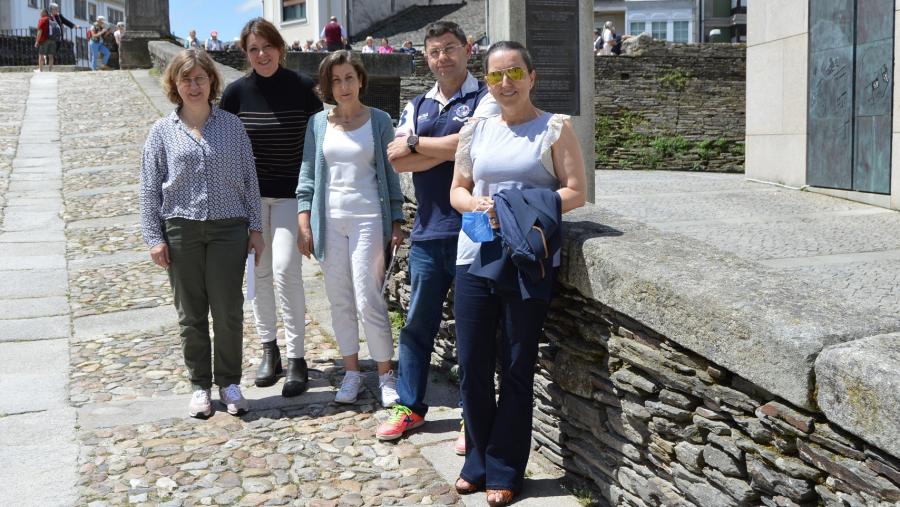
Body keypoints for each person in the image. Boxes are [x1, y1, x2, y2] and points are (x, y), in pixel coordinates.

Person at [449, 40, 586, 505]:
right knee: (471, 365)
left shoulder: (555, 128)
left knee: (516, 366)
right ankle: (478, 462)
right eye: (494, 76)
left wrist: (520, 209)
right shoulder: (475, 129)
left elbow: (575, 192)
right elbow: (458, 190)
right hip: (476, 257)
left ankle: (506, 468)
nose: (504, 83)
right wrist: (480, 205)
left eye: (513, 73)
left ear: (532, 77)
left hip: (528, 261)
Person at [375, 21, 499, 451]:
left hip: (474, 230)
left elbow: (474, 148)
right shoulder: (417, 103)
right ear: (425, 57)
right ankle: (408, 406)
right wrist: (437, 146)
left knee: (475, 329)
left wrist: (417, 144)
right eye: (434, 52)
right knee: (416, 325)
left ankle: (474, 416)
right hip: (428, 230)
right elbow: (397, 161)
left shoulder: (485, 97)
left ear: (467, 50)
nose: (442, 57)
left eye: (449, 49)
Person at [139, 49, 264, 419]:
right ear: (174, 85)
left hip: (229, 228)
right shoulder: (162, 132)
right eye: (185, 79)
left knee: (227, 310)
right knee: (191, 314)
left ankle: (229, 382)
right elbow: (149, 187)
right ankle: (199, 386)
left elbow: (249, 179)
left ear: (212, 82)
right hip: (181, 229)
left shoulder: (232, 125)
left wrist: (255, 227)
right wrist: (154, 237)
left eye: (200, 78)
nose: (193, 86)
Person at [219, 18, 323, 398]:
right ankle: (270, 350)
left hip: (290, 196)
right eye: (253, 49)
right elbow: (223, 146)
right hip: (250, 199)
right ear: (245, 54)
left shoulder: (302, 89)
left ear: (279, 47)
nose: (261, 55)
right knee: (259, 274)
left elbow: (319, 143)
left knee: (284, 269)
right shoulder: (235, 94)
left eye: (267, 46)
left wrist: (312, 204)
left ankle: (297, 357)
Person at [296, 50, 405, 407]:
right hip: (329, 221)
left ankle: (386, 374)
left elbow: (390, 175)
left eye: (349, 78)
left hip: (367, 219)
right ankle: (352, 373)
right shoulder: (318, 123)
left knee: (368, 296)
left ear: (361, 80)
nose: (343, 86)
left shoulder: (379, 120)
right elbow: (308, 174)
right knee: (339, 299)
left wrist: (396, 220)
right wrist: (303, 219)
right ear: (328, 85)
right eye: (336, 80)